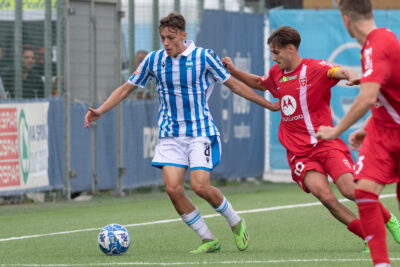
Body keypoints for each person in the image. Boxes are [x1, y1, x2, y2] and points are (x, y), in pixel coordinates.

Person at [85, 12, 279, 254]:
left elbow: (234, 84)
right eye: (163, 38)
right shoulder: (154, 60)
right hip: (171, 135)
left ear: (183, 35)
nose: (166, 43)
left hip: (200, 133)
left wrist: (269, 104)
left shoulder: (203, 57)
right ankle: (208, 239)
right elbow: (126, 88)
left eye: (171, 37)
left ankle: (235, 222)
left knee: (199, 186)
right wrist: (101, 110)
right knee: (173, 189)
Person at [222, 25, 400, 252]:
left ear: (291, 49)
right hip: (299, 152)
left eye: (276, 52)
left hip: (326, 143)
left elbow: (338, 71)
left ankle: (390, 220)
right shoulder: (277, 74)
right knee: (325, 197)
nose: (274, 57)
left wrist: (352, 76)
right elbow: (259, 83)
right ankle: (368, 236)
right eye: (272, 53)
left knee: (350, 190)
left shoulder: (314, 68)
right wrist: (234, 70)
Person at [316, 0, 400, 265]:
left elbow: (367, 98)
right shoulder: (379, 41)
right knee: (364, 192)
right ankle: (382, 263)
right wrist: (366, 128)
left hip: (394, 131)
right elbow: (386, 86)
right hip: (384, 131)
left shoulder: (377, 45)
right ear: (372, 13)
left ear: (345, 20)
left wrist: (335, 130)